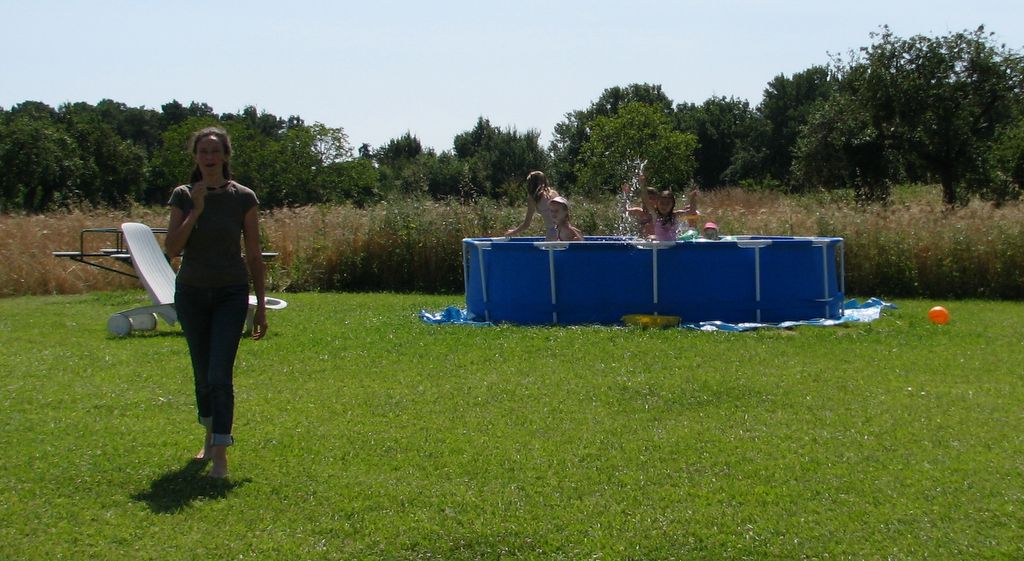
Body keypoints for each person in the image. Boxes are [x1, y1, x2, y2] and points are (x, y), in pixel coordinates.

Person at [164, 126, 268, 479]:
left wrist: (261, 306)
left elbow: (254, 254)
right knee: (202, 375)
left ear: (225, 155)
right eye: (203, 151)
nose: (208, 157)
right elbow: (172, 248)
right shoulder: (183, 196)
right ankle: (208, 436)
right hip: (192, 293)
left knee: (219, 374)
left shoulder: (243, 197)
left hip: (230, 293)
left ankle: (220, 454)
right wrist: (196, 209)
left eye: (214, 151)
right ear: (195, 157)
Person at [621, 175, 700, 241]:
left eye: (667, 204)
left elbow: (692, 212)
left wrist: (693, 198)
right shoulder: (655, 215)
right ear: (657, 204)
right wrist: (642, 186)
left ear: (672, 205)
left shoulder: (675, 215)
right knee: (650, 238)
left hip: (672, 247)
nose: (664, 206)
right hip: (659, 246)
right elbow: (646, 201)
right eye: (662, 203)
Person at [504, 171, 561, 240]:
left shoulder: (533, 198)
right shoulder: (554, 193)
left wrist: (512, 232)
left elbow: (526, 224)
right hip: (565, 230)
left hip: (552, 232)